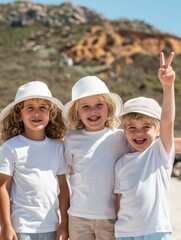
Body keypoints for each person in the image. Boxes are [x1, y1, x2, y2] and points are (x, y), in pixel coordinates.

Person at [114, 52, 175, 240]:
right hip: (125, 232)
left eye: (146, 127)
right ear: (124, 131)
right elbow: (118, 200)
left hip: (156, 231)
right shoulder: (121, 163)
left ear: (157, 131)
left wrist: (168, 86)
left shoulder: (159, 152)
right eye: (131, 127)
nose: (138, 133)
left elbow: (167, 122)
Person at [0, 81, 70, 240]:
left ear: (50, 113)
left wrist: (64, 222)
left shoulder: (57, 148)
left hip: (51, 225)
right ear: (19, 114)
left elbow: (63, 189)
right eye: (30, 108)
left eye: (42, 108)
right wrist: (6, 226)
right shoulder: (11, 147)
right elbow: (3, 188)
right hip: (21, 227)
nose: (36, 113)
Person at [62, 76, 129, 240]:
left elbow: (157, 142)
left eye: (99, 105)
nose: (93, 111)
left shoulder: (121, 137)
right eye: (85, 106)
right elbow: (63, 176)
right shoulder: (71, 139)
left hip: (112, 216)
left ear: (109, 108)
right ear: (77, 113)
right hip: (78, 217)